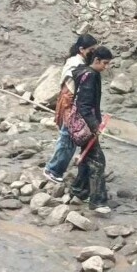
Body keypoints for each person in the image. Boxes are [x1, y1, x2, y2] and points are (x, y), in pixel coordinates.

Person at [44, 34, 98, 184]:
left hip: (73, 102)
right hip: (69, 102)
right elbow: (77, 81)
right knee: (66, 137)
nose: (93, 53)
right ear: (82, 49)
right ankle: (53, 169)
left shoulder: (80, 62)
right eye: (91, 50)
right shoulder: (75, 63)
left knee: (69, 138)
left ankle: (56, 168)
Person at [69, 46, 113, 214]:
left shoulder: (82, 72)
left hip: (78, 123)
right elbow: (84, 105)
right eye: (105, 63)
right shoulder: (91, 76)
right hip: (86, 124)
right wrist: (95, 126)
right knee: (97, 161)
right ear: (96, 60)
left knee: (86, 157)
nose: (106, 67)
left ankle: (79, 191)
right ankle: (97, 201)